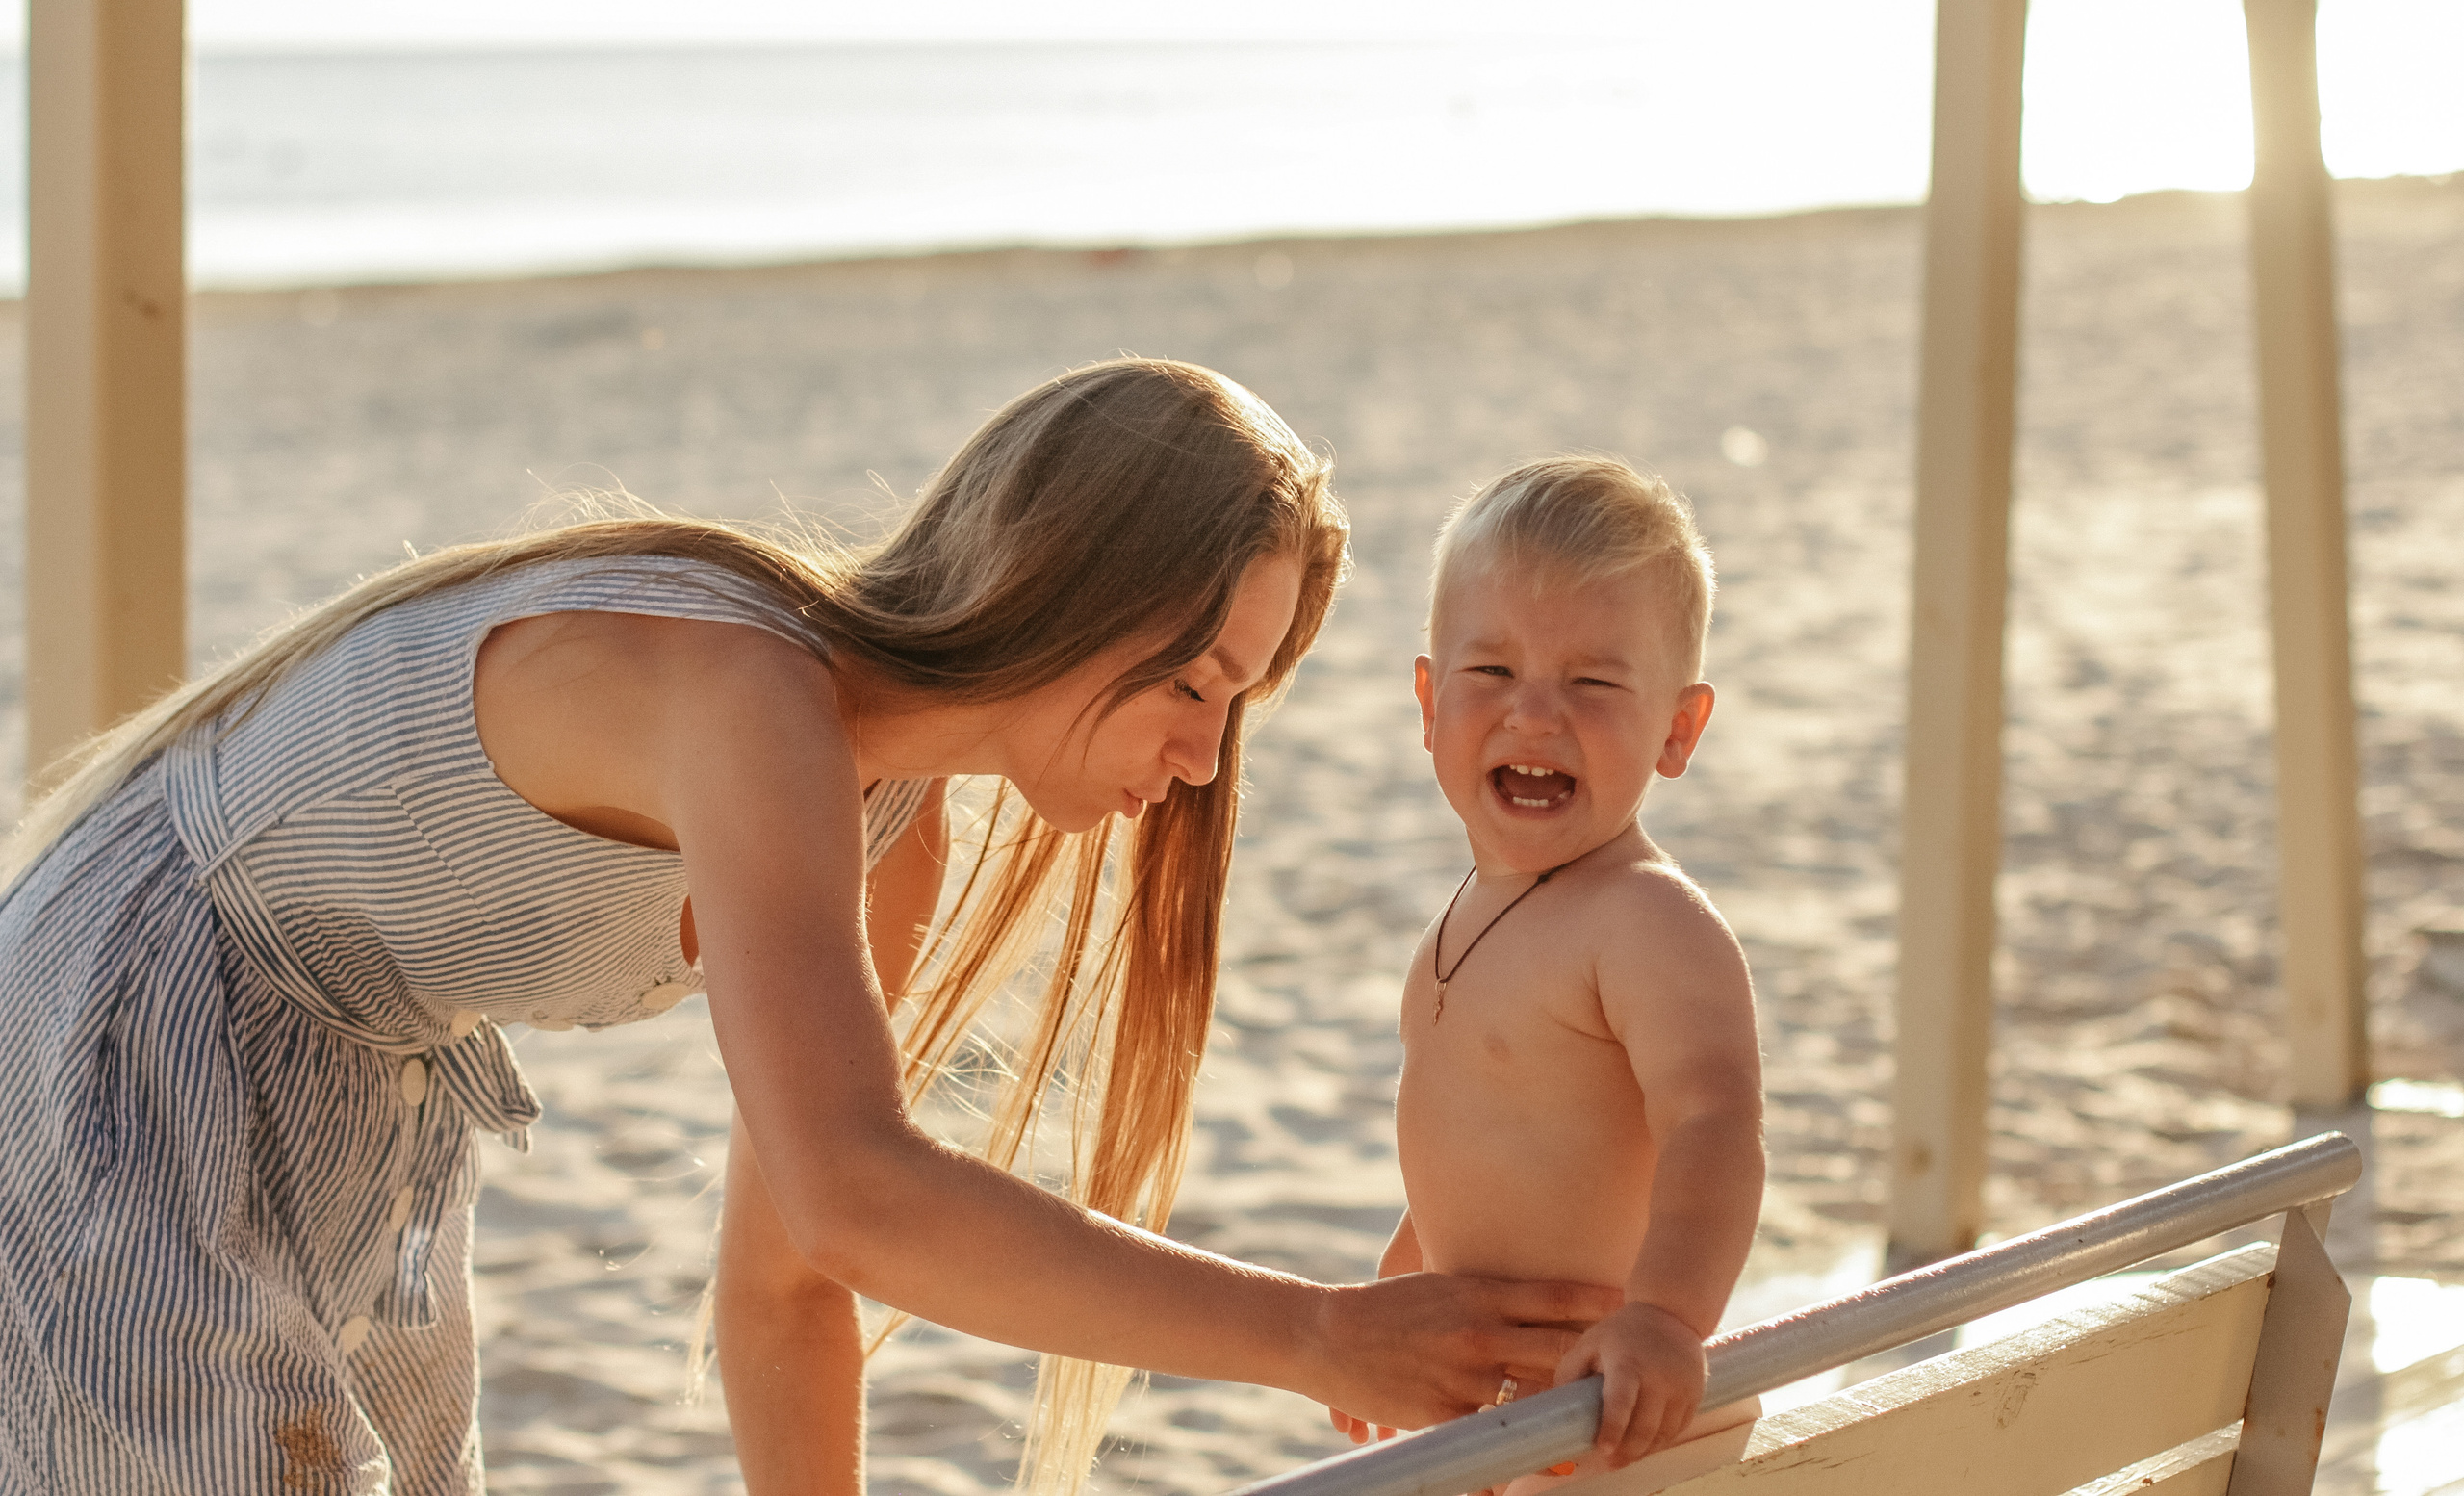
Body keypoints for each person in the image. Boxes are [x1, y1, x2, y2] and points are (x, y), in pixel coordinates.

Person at [0, 360, 1620, 1496]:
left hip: (355, 1079)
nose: (1202, 756)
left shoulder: (885, 814)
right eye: (1192, 681)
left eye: (1236, 703)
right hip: (140, 1026)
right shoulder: (747, 695)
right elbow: (863, 1200)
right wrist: (1321, 1331)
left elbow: (786, 1280)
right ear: (1066, 583)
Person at [1331, 456, 1766, 1495]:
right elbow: (1472, 1151)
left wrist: (1664, 1320)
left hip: (1608, 1411)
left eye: (1592, 682)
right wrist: (1394, 1288)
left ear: (1677, 728)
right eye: (1491, 674)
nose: (1534, 715)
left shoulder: (1643, 919)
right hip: (1492, 1410)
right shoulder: (1466, 915)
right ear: (1429, 702)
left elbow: (1715, 1123)